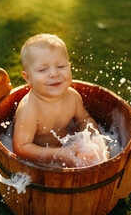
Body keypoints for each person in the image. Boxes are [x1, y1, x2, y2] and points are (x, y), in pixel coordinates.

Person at [13, 34, 106, 167]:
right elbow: (22, 148)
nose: (54, 74)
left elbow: (84, 119)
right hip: (39, 162)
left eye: (61, 66)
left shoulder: (72, 97)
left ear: (69, 66)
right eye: (43, 69)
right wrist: (59, 154)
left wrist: (94, 141)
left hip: (65, 145)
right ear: (27, 77)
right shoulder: (30, 109)